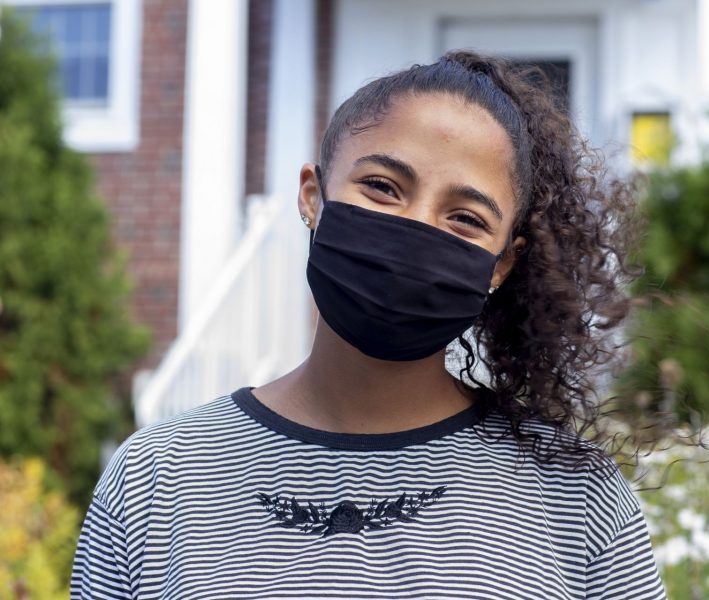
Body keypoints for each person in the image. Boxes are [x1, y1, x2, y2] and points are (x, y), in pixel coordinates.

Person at [70, 50, 668, 599]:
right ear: (313, 195)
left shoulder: (574, 496)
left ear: (501, 264)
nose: (418, 229)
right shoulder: (159, 474)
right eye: (383, 187)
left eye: (465, 218)